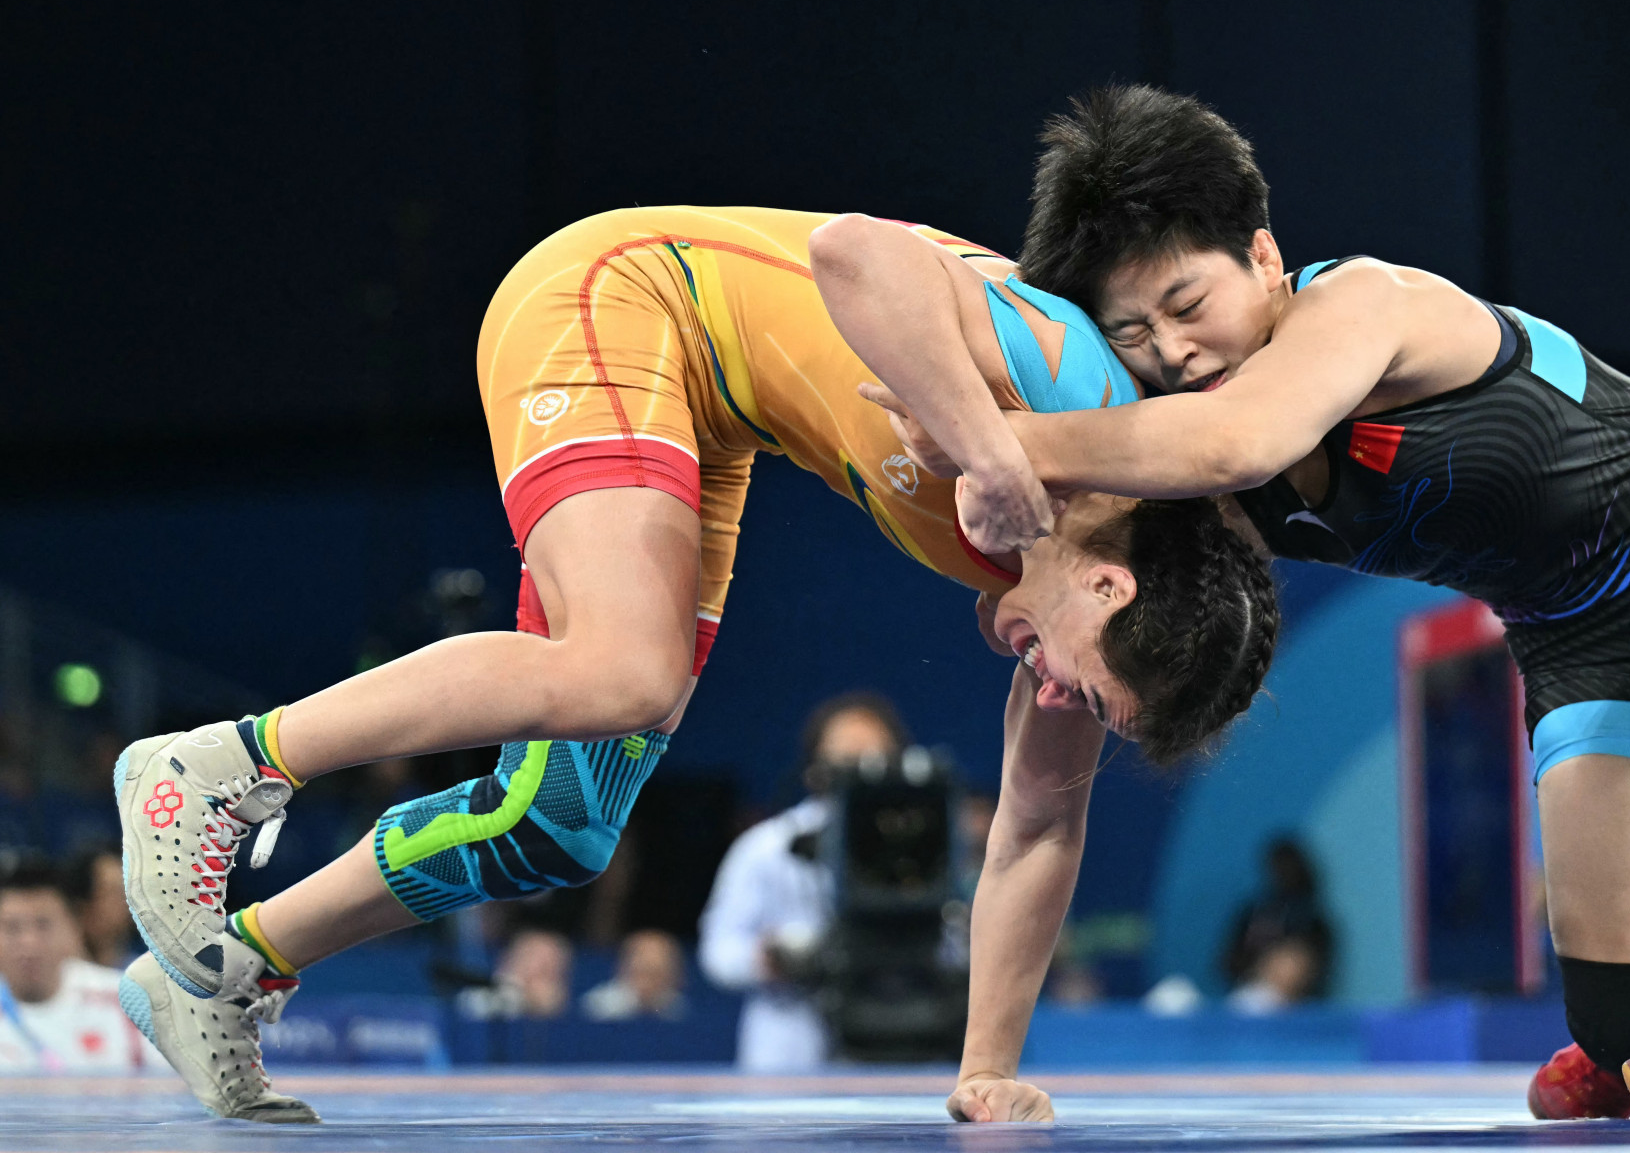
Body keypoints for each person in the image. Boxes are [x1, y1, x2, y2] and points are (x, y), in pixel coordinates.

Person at [851, 88, 1630, 1131]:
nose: (1172, 350)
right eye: (1134, 332)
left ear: (1261, 255)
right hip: (1575, 632)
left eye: (1187, 303)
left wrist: (993, 441)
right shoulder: (1181, 440)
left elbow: (1231, 443)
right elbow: (1108, 581)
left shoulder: (1363, 306)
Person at [114, 206, 1278, 1120]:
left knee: (556, 822)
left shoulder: (1109, 611)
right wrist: (987, 446)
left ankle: (227, 973)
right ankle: (217, 765)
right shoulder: (1074, 400)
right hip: (621, 294)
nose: (1055, 694)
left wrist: (986, 1068)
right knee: (623, 670)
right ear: (1113, 583)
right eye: (1083, 683)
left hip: (711, 413)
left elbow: (1038, 827)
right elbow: (855, 252)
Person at [698, 692, 905, 1070]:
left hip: (896, 1035)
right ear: (816, 766)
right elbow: (718, 951)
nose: (858, 772)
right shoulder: (767, 847)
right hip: (790, 1042)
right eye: (845, 758)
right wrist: (769, 959)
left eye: (872, 759)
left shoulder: (919, 849)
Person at [0, 856, 158, 1075]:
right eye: (12, 928)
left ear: (72, 927)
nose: (29, 943)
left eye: (43, 925)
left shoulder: (128, 999)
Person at [1221, 840, 1331, 1006]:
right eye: (1280, 867)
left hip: (1299, 1009)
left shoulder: (1313, 922)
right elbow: (1228, 961)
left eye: (1291, 867)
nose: (1285, 874)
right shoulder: (1256, 913)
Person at [457, 927, 572, 1020]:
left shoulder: (553, 993)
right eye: (532, 955)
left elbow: (550, 1005)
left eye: (548, 962)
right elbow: (473, 1004)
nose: (538, 964)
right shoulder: (493, 983)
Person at [582, 929, 687, 1021]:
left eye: (657, 975)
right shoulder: (599, 1009)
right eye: (643, 973)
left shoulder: (677, 1010)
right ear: (623, 969)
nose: (649, 982)